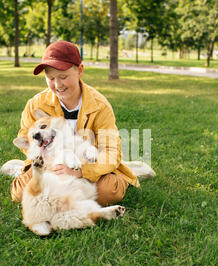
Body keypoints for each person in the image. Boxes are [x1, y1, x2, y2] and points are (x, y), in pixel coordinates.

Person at [10, 40, 139, 206]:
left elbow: (111, 150)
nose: (58, 85)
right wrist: (50, 162)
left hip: (89, 165)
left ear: (80, 71)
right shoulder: (36, 104)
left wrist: (79, 172)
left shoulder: (100, 105)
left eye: (63, 77)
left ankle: (61, 196)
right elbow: (25, 140)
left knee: (108, 192)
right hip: (49, 166)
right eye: (50, 78)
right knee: (20, 193)